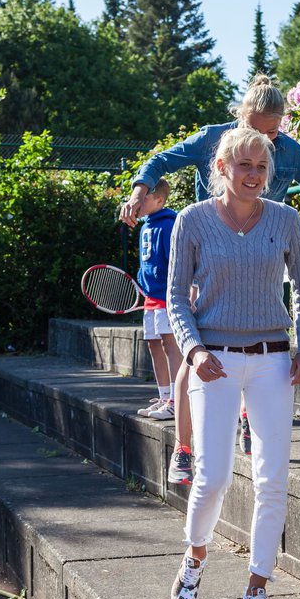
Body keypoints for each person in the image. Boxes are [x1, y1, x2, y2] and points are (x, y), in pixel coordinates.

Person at [120, 75, 300, 481]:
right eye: (254, 129)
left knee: (257, 347)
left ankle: (247, 415)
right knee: (193, 352)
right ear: (239, 118)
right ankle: (184, 446)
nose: (264, 140)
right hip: (212, 257)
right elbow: (160, 161)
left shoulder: (288, 150)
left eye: (272, 131)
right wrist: (141, 188)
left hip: (261, 255)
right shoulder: (213, 140)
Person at [165, 127, 300, 599]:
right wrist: (194, 349)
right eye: (244, 166)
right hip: (215, 362)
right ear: (223, 168)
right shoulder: (192, 220)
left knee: (273, 480)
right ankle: (195, 555)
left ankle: (256, 592)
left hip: (274, 360)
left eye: (261, 168)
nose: (254, 175)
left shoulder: (285, 219)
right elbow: (176, 298)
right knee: (212, 476)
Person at [133, 182, 184, 435]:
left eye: (143, 198)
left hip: (166, 297)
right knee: (154, 344)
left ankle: (176, 400)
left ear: (159, 200)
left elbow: (176, 262)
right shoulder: (145, 226)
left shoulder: (170, 224)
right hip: (149, 298)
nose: (138, 203)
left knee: (169, 344)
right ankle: (164, 397)